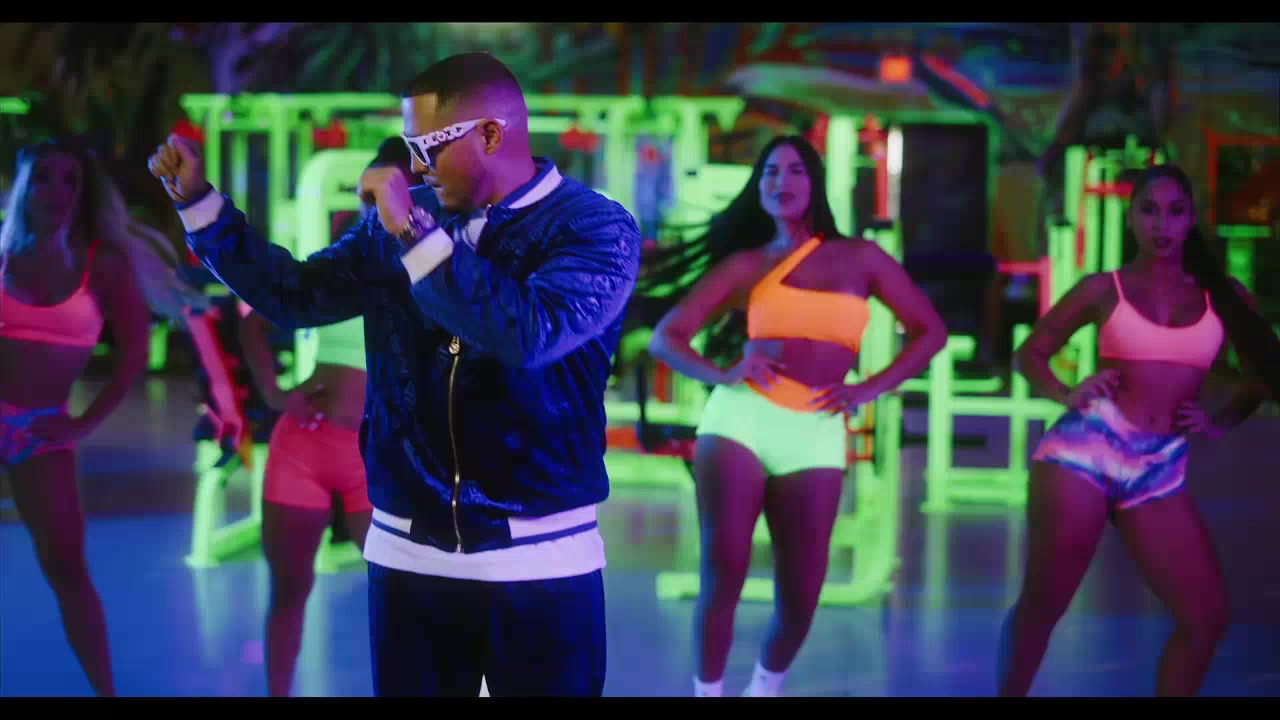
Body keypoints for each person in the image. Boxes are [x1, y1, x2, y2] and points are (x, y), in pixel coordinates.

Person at [147, 51, 641, 697]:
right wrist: (202, 208)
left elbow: (526, 334)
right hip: (407, 553)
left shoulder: (593, 227)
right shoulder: (398, 229)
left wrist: (413, 231)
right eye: (408, 148)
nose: (416, 166)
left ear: (492, 135)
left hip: (543, 558)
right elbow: (296, 295)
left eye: (427, 147)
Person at [641, 136, 947, 697]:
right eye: (771, 173)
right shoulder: (747, 264)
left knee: (802, 593)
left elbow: (931, 332)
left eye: (796, 171)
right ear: (758, 187)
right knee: (723, 574)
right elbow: (666, 337)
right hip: (741, 421)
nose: (782, 182)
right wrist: (723, 375)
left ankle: (764, 688)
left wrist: (869, 389)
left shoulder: (861, 258)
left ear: (816, 182)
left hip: (817, 427)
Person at [1000, 163, 1279, 697]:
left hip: (1159, 466)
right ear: (1130, 218)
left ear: (1191, 219)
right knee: (1043, 604)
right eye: (1149, 211)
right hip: (1085, 451)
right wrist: (1065, 392)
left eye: (1175, 212)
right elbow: (1030, 354)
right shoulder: (1103, 288)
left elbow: (1263, 373)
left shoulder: (1224, 296)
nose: (1161, 224)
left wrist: (1220, 419)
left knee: (1205, 619)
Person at [0, 138, 207, 697]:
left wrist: (82, 424)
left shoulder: (103, 264)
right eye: (44, 177)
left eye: (70, 180)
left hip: (41, 429)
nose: (57, 190)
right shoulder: (3, 256)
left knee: (66, 569)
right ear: (24, 188)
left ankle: (105, 691)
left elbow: (134, 357)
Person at [235, 138, 415, 697]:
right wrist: (272, 392)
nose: (372, 206)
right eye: (367, 194)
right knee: (288, 592)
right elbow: (254, 316)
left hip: (375, 455)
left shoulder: (434, 274)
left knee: (401, 600)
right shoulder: (346, 267)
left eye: (384, 192)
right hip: (305, 444)